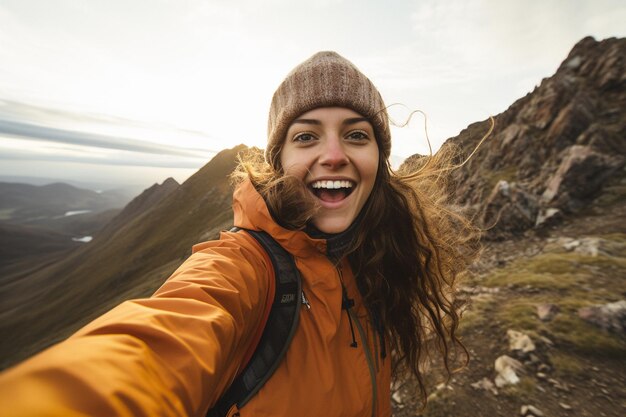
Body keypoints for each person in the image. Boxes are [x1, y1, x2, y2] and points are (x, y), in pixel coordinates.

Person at [0, 51, 480, 417]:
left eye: (356, 135)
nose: (334, 154)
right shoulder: (244, 268)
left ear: (380, 159)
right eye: (307, 136)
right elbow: (153, 347)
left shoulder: (373, 259)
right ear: (278, 164)